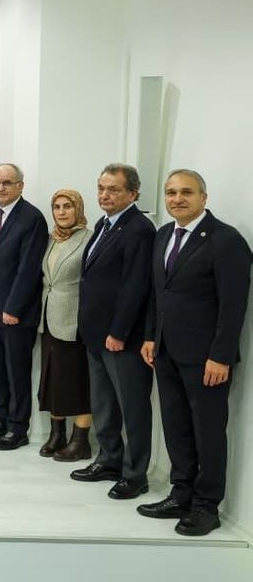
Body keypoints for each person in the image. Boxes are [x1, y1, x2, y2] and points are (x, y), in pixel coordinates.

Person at [139, 169, 251, 536]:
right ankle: (181, 493)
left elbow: (233, 306)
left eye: (186, 192)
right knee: (176, 427)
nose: (177, 199)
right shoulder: (163, 235)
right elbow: (158, 293)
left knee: (208, 432)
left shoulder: (226, 241)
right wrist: (151, 336)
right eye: (171, 192)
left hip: (206, 359)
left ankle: (206, 506)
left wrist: (221, 355)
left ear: (204, 197)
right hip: (166, 352)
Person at [70, 164, 155, 498]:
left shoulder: (139, 229)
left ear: (133, 193)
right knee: (103, 403)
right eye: (101, 188)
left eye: (113, 189)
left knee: (132, 407)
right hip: (96, 333)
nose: (104, 195)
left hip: (122, 338)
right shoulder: (104, 224)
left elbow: (136, 286)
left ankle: (135, 474)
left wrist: (119, 331)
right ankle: (109, 460)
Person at [0, 163, 48, 450]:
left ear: (20, 185)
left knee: (16, 371)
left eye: (7, 183)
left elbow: (29, 269)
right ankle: (1, 418)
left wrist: (14, 307)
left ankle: (18, 428)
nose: (1, 188)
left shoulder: (32, 218)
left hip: (15, 312)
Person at [36, 190, 94, 460]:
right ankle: (56, 434)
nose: (61, 212)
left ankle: (80, 441)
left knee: (77, 381)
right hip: (48, 318)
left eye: (67, 206)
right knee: (52, 379)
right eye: (57, 206)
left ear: (78, 208)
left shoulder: (89, 239)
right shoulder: (50, 239)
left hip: (75, 321)